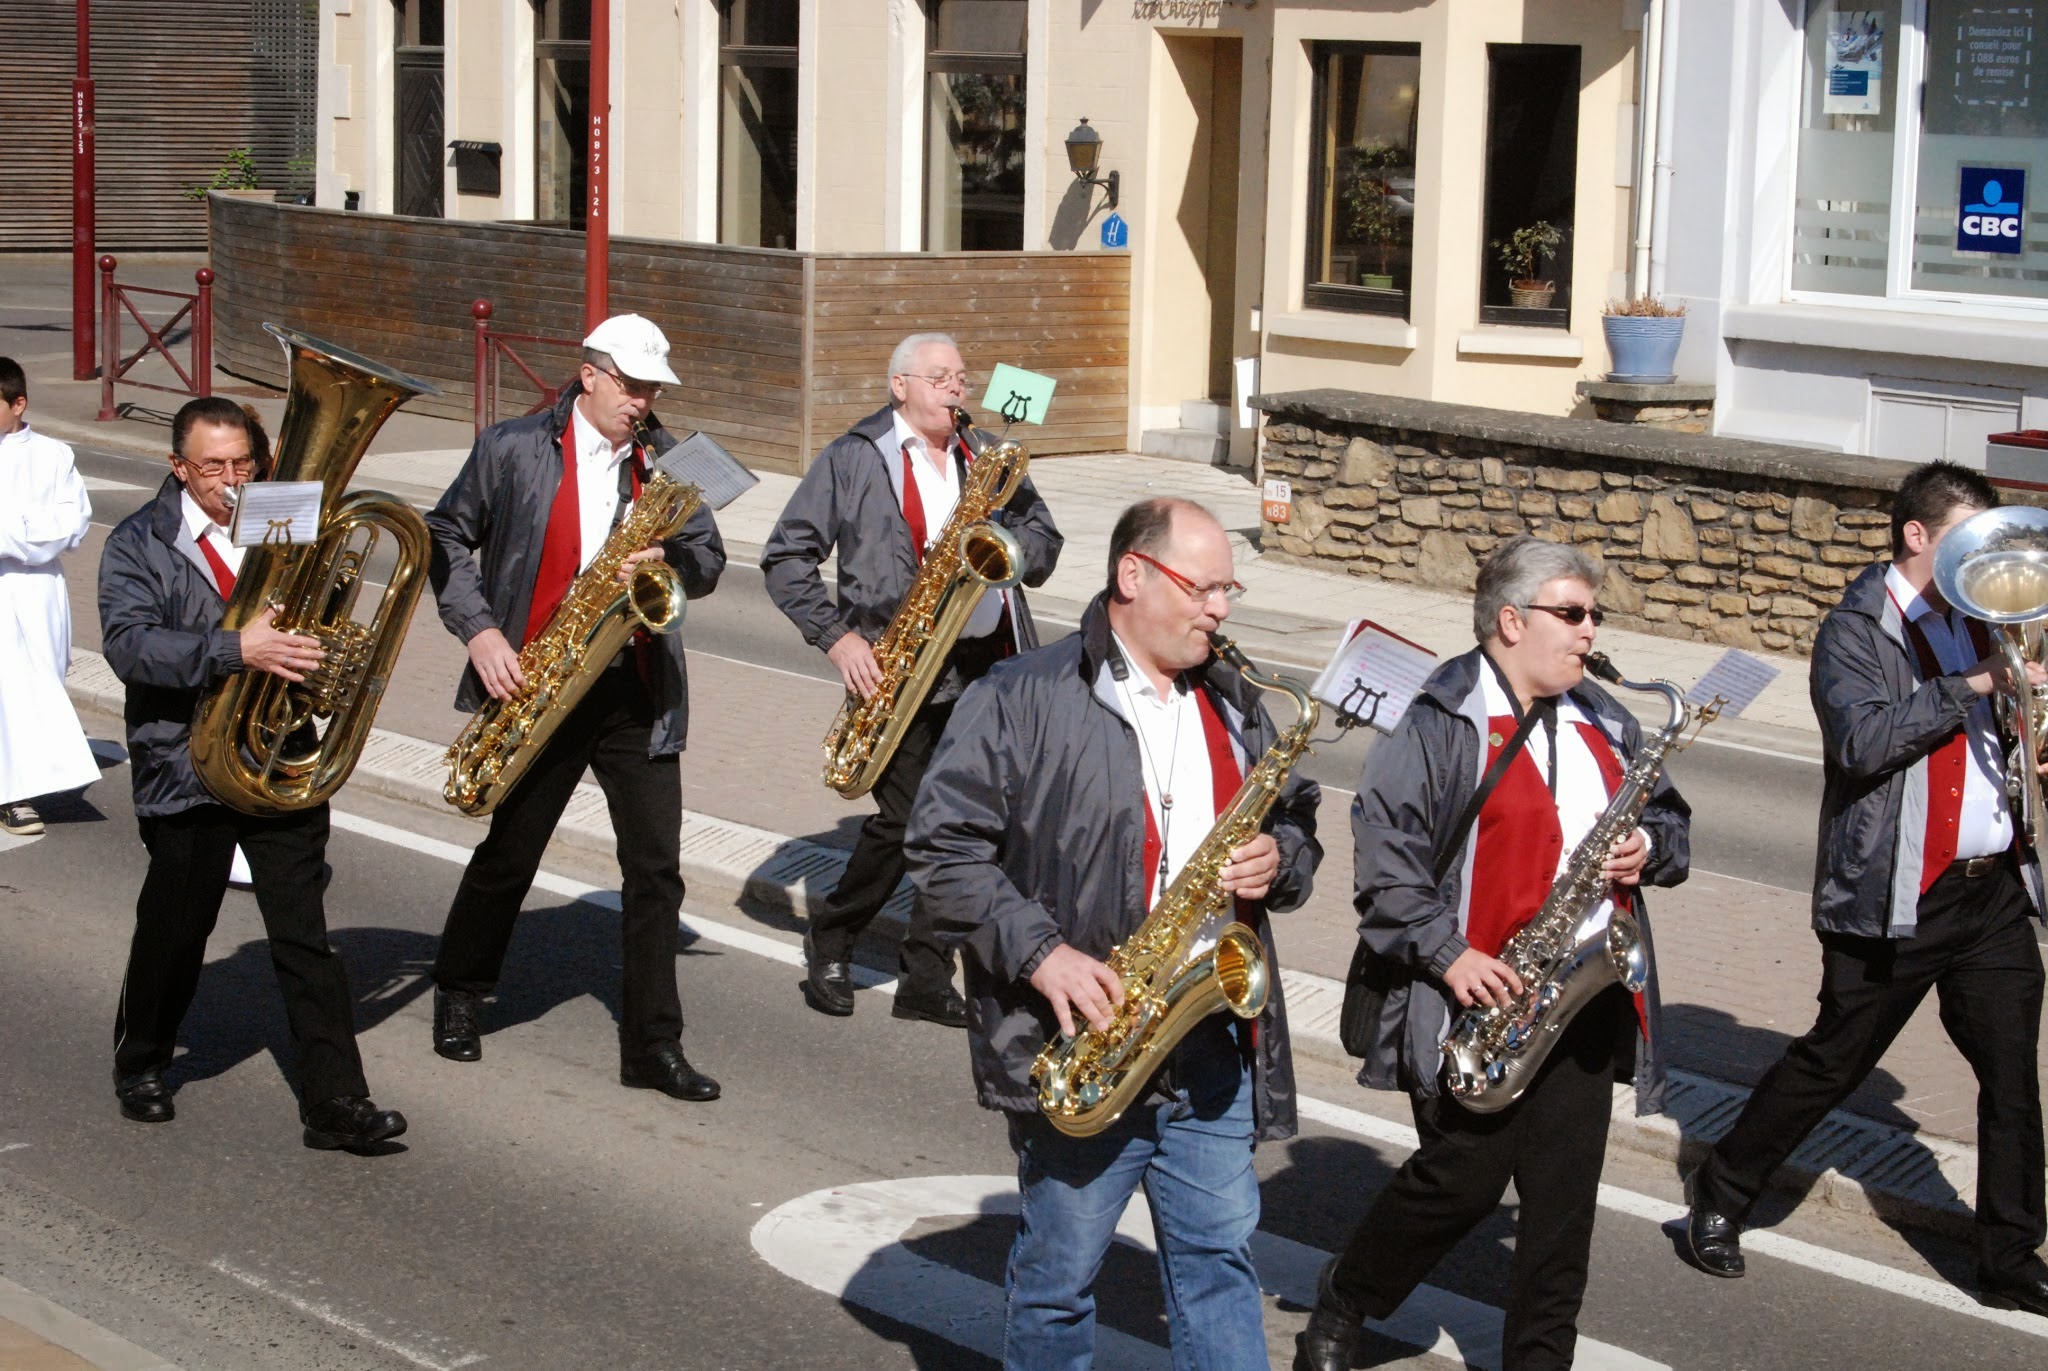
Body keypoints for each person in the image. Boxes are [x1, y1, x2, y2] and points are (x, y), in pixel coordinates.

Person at [907, 497, 1321, 1369]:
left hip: (1210, 1041)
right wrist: (1040, 952)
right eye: (1203, 587)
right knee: (1059, 1281)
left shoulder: (1241, 701)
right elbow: (942, 851)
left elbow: (1300, 820)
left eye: (1228, 590)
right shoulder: (1019, 695)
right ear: (1133, 574)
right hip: (1088, 1035)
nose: (1220, 608)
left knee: (1219, 1266)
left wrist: (1279, 856)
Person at [1299, 535, 1692, 1371]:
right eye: (1573, 613)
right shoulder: (1441, 716)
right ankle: (1349, 1295)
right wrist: (1448, 953)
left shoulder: (1608, 717)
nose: (1591, 631)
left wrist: (1647, 846)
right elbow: (1387, 858)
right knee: (1463, 1181)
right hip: (1474, 997)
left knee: (1561, 1211)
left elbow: (1674, 823)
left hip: (1582, 997)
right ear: (1511, 620)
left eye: (1595, 614)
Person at [1682, 460, 2048, 1317]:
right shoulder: (1855, 631)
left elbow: (1999, 743)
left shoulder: (1987, 620)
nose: (1985, 562)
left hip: (1990, 894)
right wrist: (1978, 685)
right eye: (1968, 538)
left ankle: (2009, 1257)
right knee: (1833, 1061)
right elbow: (1865, 741)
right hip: (1897, 891)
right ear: (1918, 536)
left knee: (2012, 1079)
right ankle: (1720, 1192)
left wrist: (2031, 732)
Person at [424, 313, 727, 1103]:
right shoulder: (512, 447)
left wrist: (674, 558)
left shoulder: (668, 463)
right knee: (510, 854)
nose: (642, 401)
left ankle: (652, 1045)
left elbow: (710, 558)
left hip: (637, 687)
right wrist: (481, 630)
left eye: (651, 387)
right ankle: (460, 989)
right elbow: (446, 535)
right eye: (630, 384)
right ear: (588, 374)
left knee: (656, 871)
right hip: (538, 680)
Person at [97, 397, 406, 1150]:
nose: (234, 480)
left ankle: (336, 1101)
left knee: (305, 938)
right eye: (214, 467)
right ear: (179, 467)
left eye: (245, 464)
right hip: (186, 762)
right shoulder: (141, 542)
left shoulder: (285, 520)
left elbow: (326, 609)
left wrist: (325, 646)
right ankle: (141, 1059)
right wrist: (240, 649)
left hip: (278, 755)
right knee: (178, 927)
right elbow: (130, 647)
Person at [762, 331, 1062, 1028]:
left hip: (987, 664)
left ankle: (926, 973)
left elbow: (1043, 533)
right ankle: (833, 934)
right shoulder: (853, 456)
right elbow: (786, 558)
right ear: (900, 386)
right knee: (904, 821)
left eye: (961, 377)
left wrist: (1011, 548)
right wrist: (836, 640)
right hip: (894, 669)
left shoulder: (988, 454)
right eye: (939, 377)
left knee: (971, 824)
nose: (956, 388)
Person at [0, 356, 99, 835]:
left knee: (35, 687)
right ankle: (12, 795)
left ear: (18, 403)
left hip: (33, 588)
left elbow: (68, 526)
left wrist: (10, 536)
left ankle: (22, 785)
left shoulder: (54, 456)